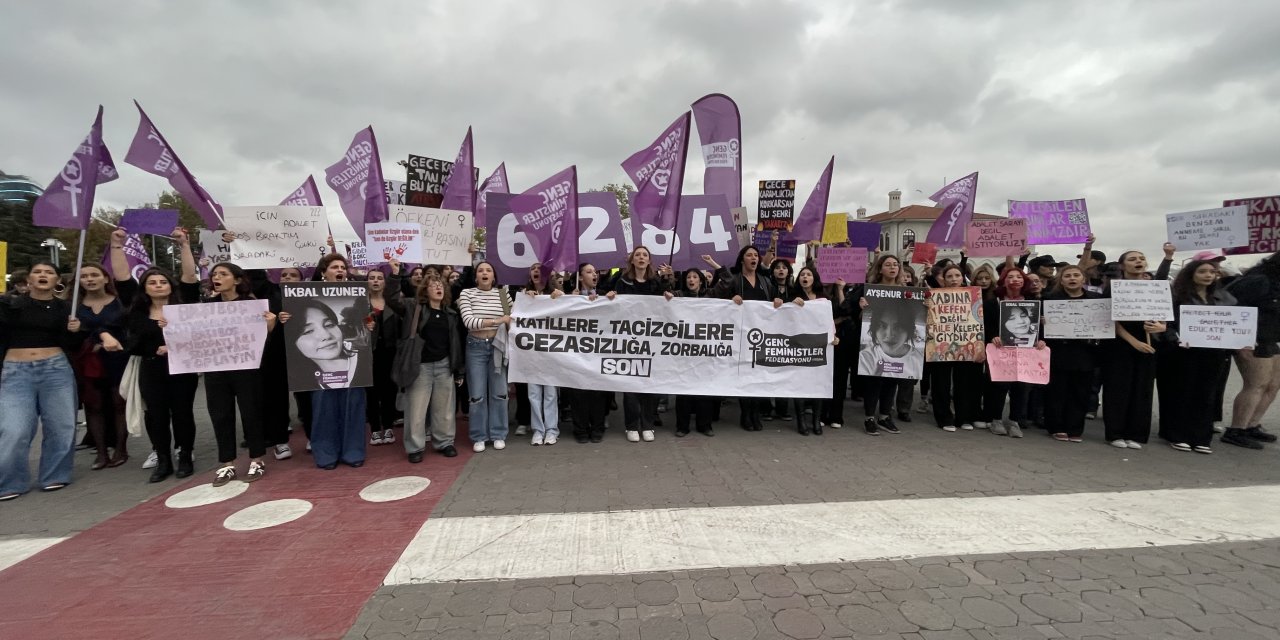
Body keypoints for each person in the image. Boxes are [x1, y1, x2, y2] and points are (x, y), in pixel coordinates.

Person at [178, 231, 276, 485]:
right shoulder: (206, 306)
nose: (217, 278)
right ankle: (227, 463)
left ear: (236, 279)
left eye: (223, 274)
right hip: (216, 370)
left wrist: (271, 324)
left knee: (251, 412)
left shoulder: (251, 304)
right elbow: (189, 320)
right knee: (220, 414)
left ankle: (256, 459)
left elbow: (262, 337)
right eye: (215, 275)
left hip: (246, 369)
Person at [0, 261, 82, 500]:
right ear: (29, 279)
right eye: (37, 272)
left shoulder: (66, 308)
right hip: (16, 370)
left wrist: (75, 331)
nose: (43, 275)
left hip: (55, 369)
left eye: (49, 272)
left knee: (61, 424)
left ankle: (55, 474)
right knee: (14, 428)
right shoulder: (11, 304)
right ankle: (10, 481)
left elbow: (74, 346)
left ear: (58, 280)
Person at [279, 254, 369, 470]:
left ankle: (353, 451)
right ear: (323, 272)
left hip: (355, 377)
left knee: (354, 410)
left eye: (343, 267)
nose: (340, 270)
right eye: (334, 267)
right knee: (323, 412)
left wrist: (369, 326)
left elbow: (366, 324)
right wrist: (283, 320)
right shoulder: (299, 298)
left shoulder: (356, 293)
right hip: (320, 381)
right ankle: (326, 454)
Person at [1159, 260, 1235, 454]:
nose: (1208, 275)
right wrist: (1174, 339)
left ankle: (1201, 437)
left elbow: (1235, 323)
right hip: (1183, 353)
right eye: (1203, 271)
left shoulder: (1224, 297)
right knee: (1182, 393)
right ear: (1191, 274)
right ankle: (1178, 434)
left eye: (1212, 272)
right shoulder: (1177, 297)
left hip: (1213, 353)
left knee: (1207, 395)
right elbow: (1167, 324)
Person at [709, 246, 780, 431]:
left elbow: (776, 301)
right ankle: (746, 415)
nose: (754, 258)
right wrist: (731, 300)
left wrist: (779, 301)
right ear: (742, 260)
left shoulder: (766, 282)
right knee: (744, 376)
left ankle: (756, 414)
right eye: (749, 255)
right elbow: (717, 301)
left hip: (760, 336)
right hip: (740, 336)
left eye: (756, 255)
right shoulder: (735, 281)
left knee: (757, 376)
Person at [605, 246, 672, 442]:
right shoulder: (622, 281)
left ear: (649, 260)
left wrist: (668, 295)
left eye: (645, 255)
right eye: (638, 255)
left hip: (651, 341)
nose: (641, 258)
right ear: (632, 260)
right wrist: (609, 296)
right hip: (628, 340)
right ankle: (631, 425)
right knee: (631, 383)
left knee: (649, 384)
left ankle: (648, 424)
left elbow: (667, 304)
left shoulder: (656, 282)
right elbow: (604, 295)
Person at [1102, 250, 1166, 449]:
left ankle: (1136, 433)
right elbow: (1109, 319)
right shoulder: (1113, 289)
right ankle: (1115, 433)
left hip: (1148, 344)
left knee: (1143, 389)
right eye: (1132, 259)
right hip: (1120, 345)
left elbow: (1164, 316)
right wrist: (1132, 341)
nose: (1138, 262)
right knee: (1118, 388)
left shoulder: (1157, 288)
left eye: (1141, 258)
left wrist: (1161, 327)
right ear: (1122, 266)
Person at [73, 261, 130, 470]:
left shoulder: (120, 302)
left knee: (118, 403)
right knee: (94, 405)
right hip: (89, 361)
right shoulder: (74, 305)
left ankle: (121, 448)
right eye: (84, 276)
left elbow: (127, 329)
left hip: (118, 358)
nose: (89, 279)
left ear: (105, 278)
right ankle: (101, 451)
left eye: (94, 275)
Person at [402, 274, 464, 462]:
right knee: (416, 409)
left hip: (444, 365)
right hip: (420, 366)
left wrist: (458, 369)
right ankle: (415, 447)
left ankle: (444, 442)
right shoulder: (415, 308)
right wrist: (397, 273)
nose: (438, 288)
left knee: (444, 408)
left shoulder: (450, 314)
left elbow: (455, 343)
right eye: (433, 285)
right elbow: (392, 298)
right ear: (425, 290)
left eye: (441, 285)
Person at [1223, 252, 1280, 449]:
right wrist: (1240, 340)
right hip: (1252, 339)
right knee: (1256, 384)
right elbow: (1233, 308)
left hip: (1271, 338)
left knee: (1273, 385)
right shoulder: (1259, 281)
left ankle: (1251, 425)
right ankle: (1236, 429)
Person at [980, 268, 1045, 438]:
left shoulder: (1033, 302)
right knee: (999, 386)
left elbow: (1038, 327)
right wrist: (993, 336)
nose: (1015, 279)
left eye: (1019, 276)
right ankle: (995, 419)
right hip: (1001, 351)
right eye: (1010, 276)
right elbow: (986, 324)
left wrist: (1041, 339)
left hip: (1026, 352)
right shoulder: (993, 302)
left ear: (1024, 281)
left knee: (1022, 386)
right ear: (1003, 281)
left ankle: (1015, 420)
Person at [856, 253, 916, 436]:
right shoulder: (869, 290)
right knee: (874, 381)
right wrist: (861, 307)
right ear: (880, 268)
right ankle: (869, 418)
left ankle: (884, 416)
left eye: (896, 264)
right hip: (876, 346)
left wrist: (926, 304)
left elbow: (914, 315)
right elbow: (861, 318)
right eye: (888, 264)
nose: (893, 267)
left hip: (896, 348)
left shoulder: (907, 292)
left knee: (891, 380)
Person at [1041, 265, 1101, 442]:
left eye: (1076, 275)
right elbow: (1038, 327)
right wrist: (1043, 321)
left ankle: (1075, 429)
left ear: (1083, 279)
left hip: (1085, 352)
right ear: (1061, 280)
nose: (1072, 278)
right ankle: (1056, 426)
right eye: (1067, 276)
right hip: (1059, 351)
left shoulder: (1096, 299)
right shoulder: (1050, 299)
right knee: (1057, 391)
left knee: (1081, 392)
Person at [458, 261, 513, 452]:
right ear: (475, 277)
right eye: (480, 270)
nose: (484, 273)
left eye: (488, 270)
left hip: (497, 346)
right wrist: (498, 320)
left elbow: (513, 320)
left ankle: (498, 433)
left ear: (494, 276)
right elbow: (470, 322)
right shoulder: (467, 294)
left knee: (499, 392)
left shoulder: (503, 294)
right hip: (476, 347)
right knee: (477, 395)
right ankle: (479, 436)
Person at [926, 264, 984, 433]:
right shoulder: (934, 295)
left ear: (962, 277)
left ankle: (963, 417)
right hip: (940, 345)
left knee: (963, 382)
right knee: (941, 383)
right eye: (949, 276)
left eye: (957, 275)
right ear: (943, 279)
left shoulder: (972, 296)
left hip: (965, 344)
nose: (954, 279)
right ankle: (944, 417)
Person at [671, 267, 718, 437]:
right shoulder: (678, 295)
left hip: (704, 349)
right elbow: (664, 298)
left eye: (695, 277)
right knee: (683, 389)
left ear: (700, 280)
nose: (691, 280)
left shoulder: (710, 295)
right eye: (688, 277)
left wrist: (714, 264)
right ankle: (682, 426)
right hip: (684, 349)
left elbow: (727, 282)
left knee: (704, 388)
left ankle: (704, 425)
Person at [567, 262, 612, 443]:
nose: (594, 274)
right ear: (579, 277)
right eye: (589, 271)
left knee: (598, 393)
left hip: (599, 352)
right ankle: (580, 429)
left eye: (595, 271)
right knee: (578, 392)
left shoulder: (603, 295)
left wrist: (609, 299)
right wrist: (568, 300)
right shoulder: (570, 297)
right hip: (577, 352)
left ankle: (597, 427)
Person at [520, 263, 562, 445]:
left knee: (551, 392)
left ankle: (552, 429)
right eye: (533, 269)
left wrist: (560, 297)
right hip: (532, 352)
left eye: (540, 268)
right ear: (530, 275)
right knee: (534, 393)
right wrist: (525, 299)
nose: (537, 271)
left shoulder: (557, 294)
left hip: (551, 352)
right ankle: (538, 429)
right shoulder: (523, 295)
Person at [365, 264, 404, 447]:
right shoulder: (360, 303)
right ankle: (374, 429)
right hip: (368, 354)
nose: (375, 281)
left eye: (380, 278)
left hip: (390, 353)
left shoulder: (393, 302)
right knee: (371, 392)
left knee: (389, 390)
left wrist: (396, 272)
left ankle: (388, 426)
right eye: (372, 278)